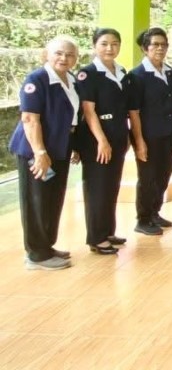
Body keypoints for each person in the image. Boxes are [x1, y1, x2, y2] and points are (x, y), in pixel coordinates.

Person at [9, 36, 80, 270]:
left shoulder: (70, 79)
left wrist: (74, 146)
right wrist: (40, 152)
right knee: (36, 200)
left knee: (53, 198)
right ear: (46, 54)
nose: (64, 58)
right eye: (59, 53)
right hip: (36, 149)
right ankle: (36, 255)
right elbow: (30, 119)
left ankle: (46, 246)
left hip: (60, 147)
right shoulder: (37, 79)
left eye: (70, 54)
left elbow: (72, 116)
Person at [76, 28, 138, 253]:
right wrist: (102, 140)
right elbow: (88, 111)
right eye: (104, 43)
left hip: (117, 135)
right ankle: (96, 238)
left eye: (114, 43)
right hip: (97, 140)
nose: (110, 48)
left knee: (111, 186)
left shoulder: (121, 72)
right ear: (95, 46)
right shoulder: (88, 74)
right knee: (97, 188)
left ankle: (108, 231)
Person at [129, 28, 172, 236]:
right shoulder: (137, 76)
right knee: (148, 177)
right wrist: (139, 141)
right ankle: (143, 219)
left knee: (164, 173)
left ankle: (154, 212)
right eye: (155, 44)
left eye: (163, 45)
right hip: (148, 135)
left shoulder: (170, 73)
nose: (160, 48)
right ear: (145, 48)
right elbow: (134, 112)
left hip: (169, 134)